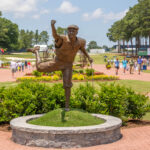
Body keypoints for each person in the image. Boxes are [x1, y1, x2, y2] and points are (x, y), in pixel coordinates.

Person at [28, 20, 93, 111]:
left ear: (77, 32)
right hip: (57, 62)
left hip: (68, 65)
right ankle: (36, 52)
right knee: (39, 68)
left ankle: (67, 107)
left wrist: (88, 57)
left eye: (73, 31)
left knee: (67, 85)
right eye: (69, 30)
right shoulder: (62, 39)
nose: (71, 32)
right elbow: (55, 35)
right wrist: (52, 25)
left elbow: (82, 49)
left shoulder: (81, 41)